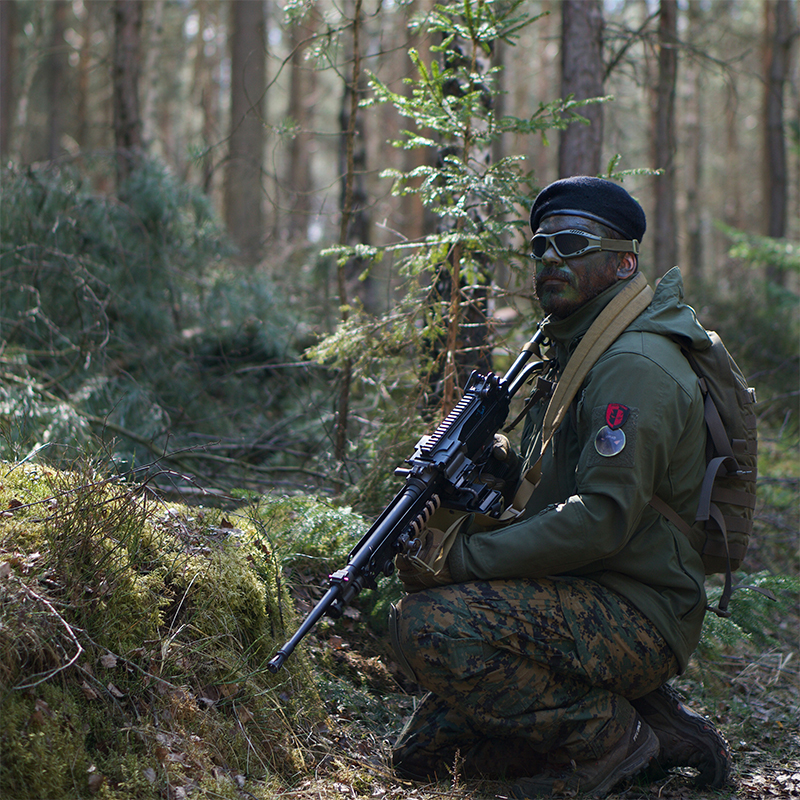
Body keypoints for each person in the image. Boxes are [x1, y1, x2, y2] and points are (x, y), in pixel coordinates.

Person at [388, 176, 731, 797]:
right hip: (581, 588)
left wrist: (460, 558)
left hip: (638, 608)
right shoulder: (576, 347)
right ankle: (655, 723)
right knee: (423, 757)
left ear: (623, 260)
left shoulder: (633, 365)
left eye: (572, 243)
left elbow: (601, 518)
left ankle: (613, 740)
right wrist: (490, 472)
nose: (550, 258)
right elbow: (557, 489)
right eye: (541, 245)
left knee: (429, 627)